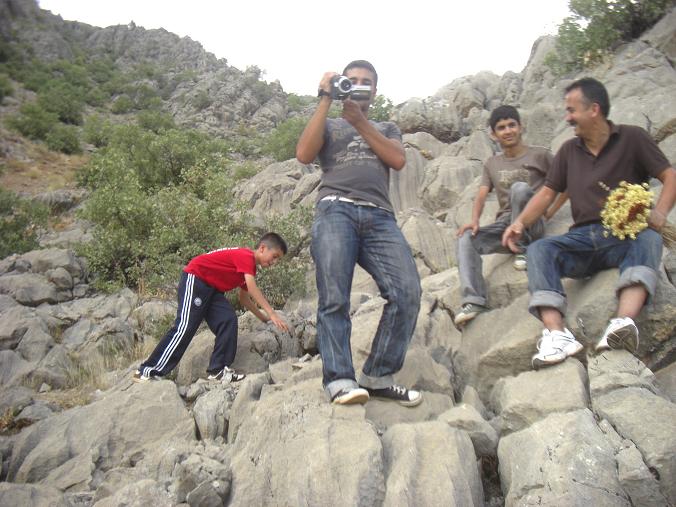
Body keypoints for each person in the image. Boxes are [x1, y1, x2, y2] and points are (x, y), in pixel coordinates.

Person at [502, 77, 676, 369]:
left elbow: (669, 176)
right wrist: (519, 223)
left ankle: (622, 323)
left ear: (594, 109)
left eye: (572, 110)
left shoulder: (633, 138)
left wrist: (659, 213)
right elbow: (547, 194)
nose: (567, 117)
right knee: (539, 250)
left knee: (649, 238)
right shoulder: (569, 151)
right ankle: (557, 335)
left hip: (622, 236)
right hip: (581, 239)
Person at [296, 60, 422, 407]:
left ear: (375, 91)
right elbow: (303, 153)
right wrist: (324, 98)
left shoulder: (386, 127)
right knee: (334, 297)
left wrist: (361, 122)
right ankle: (339, 380)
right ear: (342, 86)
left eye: (366, 81)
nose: (359, 85)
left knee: (407, 292)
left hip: (380, 217)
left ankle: (378, 376)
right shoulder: (329, 123)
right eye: (351, 81)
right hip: (335, 209)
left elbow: (397, 160)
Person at [454, 105, 567, 326]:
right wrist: (474, 221)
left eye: (511, 125)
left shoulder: (540, 155)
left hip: (532, 221)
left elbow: (567, 182)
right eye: (501, 128)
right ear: (493, 135)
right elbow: (482, 193)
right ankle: (474, 300)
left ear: (520, 127)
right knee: (465, 238)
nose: (508, 131)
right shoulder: (492, 163)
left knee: (519, 189)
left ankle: (524, 247)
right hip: (505, 226)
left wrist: (549, 213)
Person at [133, 233, 290, 382]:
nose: (275, 262)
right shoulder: (246, 256)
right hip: (196, 279)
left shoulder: (249, 269)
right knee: (185, 327)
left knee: (228, 320)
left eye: (278, 259)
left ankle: (218, 370)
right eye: (274, 256)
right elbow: (251, 287)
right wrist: (272, 313)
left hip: (212, 291)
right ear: (262, 248)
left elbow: (244, 299)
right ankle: (147, 370)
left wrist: (264, 318)